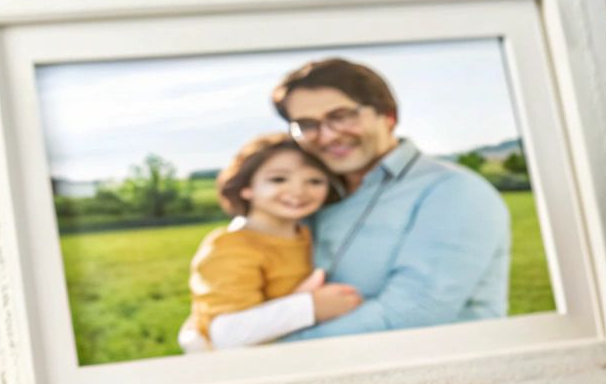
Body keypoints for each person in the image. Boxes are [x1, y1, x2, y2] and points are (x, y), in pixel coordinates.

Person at [272, 57, 510, 340]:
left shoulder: (455, 190)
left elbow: (412, 315)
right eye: (306, 124)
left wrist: (279, 345)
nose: (326, 136)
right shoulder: (311, 198)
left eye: (341, 116)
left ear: (388, 116)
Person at [180, 134, 361, 350]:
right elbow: (224, 335)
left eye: (314, 181)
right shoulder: (228, 247)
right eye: (278, 179)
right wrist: (311, 306)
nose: (298, 191)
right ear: (246, 187)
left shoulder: (309, 235)